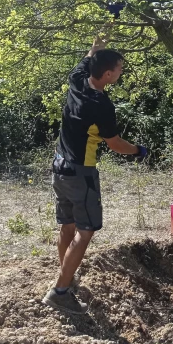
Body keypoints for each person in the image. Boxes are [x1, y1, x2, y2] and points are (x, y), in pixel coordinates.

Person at [42, 33, 148, 314]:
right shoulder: (101, 106)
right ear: (108, 74)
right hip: (80, 173)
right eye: (120, 69)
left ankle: (66, 276)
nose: (122, 71)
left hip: (59, 166)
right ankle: (60, 291)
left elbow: (90, 54)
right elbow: (114, 143)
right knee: (85, 231)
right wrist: (139, 151)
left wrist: (101, 37)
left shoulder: (77, 80)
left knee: (66, 225)